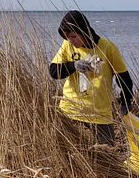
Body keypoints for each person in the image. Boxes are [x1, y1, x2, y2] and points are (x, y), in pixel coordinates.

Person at [49, 10, 134, 146]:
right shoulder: (67, 45)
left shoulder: (107, 48)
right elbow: (53, 72)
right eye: (66, 37)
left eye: (73, 36)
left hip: (99, 112)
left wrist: (126, 102)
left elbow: (123, 77)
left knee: (109, 150)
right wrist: (74, 65)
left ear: (84, 31)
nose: (70, 41)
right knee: (69, 149)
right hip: (70, 108)